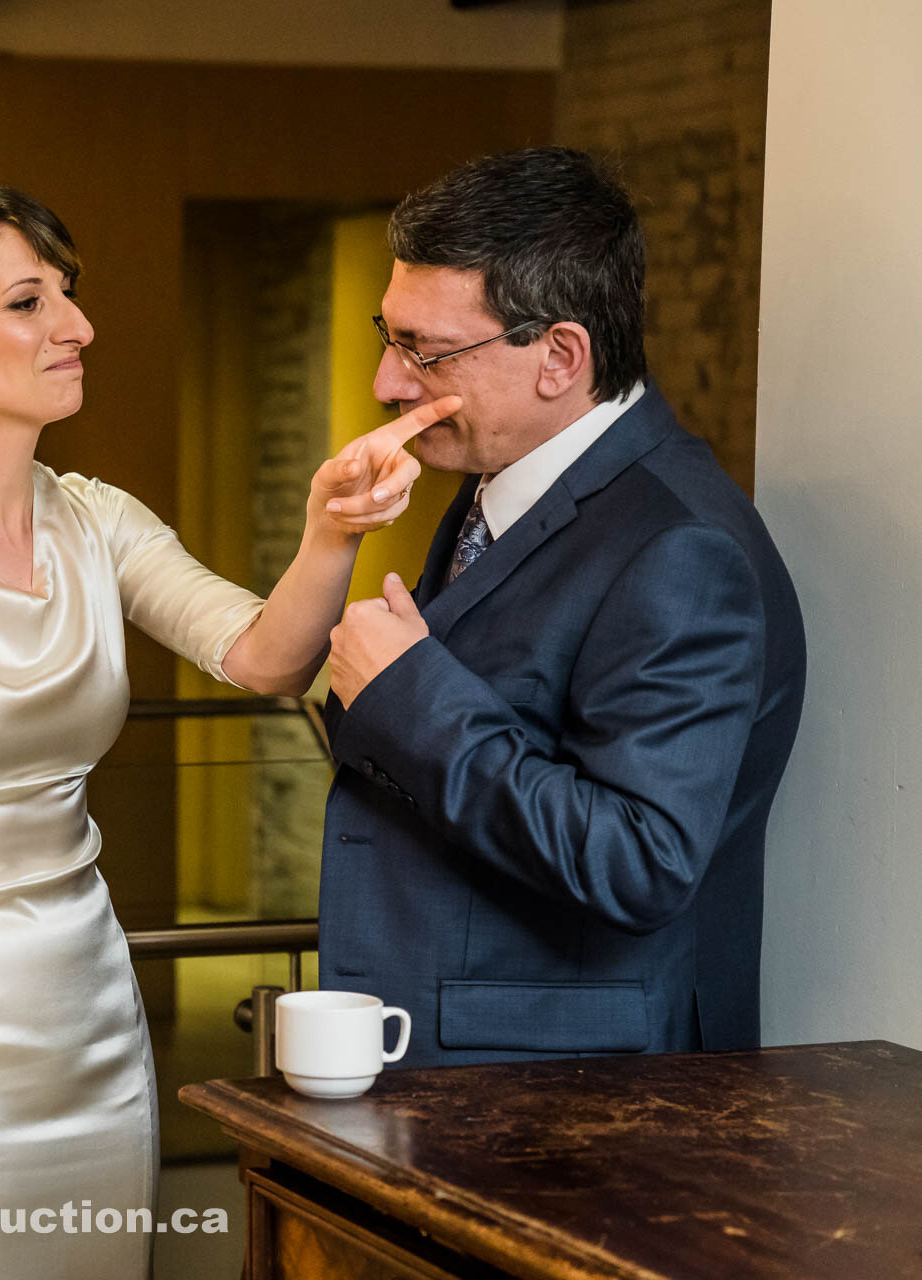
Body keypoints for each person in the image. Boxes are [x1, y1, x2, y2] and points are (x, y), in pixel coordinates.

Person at [0, 182, 453, 1278]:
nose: (77, 326)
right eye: (28, 302)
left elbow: (266, 656)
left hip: (92, 1006)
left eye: (68, 295)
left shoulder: (96, 520)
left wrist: (329, 530)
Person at [322, 147, 806, 1069]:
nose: (388, 383)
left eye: (425, 351)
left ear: (560, 357)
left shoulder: (681, 551)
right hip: (448, 1058)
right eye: (390, 336)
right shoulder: (498, 482)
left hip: (565, 1092)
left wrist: (405, 693)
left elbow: (642, 858)